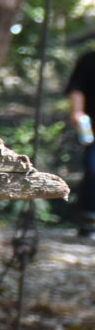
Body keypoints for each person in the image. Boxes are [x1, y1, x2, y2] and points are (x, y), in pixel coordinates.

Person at [68, 46, 95, 228]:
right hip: (92, 128)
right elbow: (76, 88)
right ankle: (89, 220)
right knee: (93, 170)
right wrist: (77, 112)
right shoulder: (90, 59)